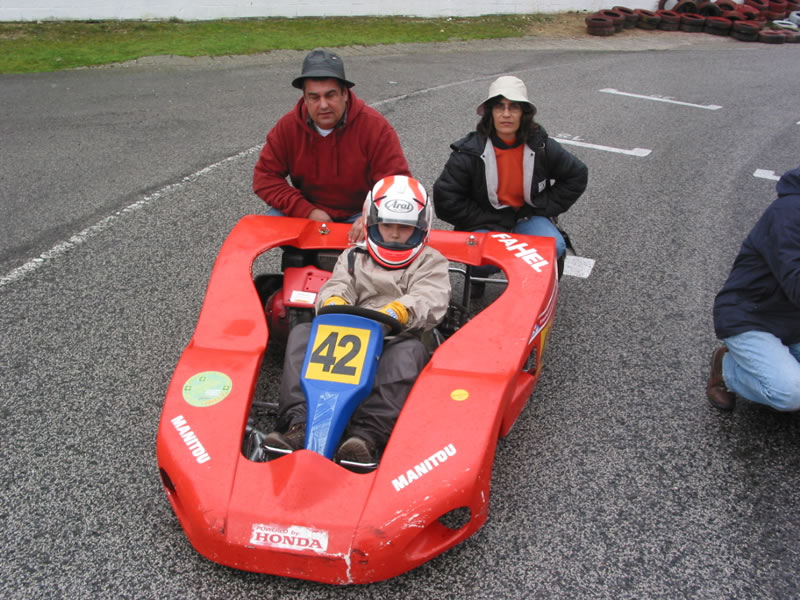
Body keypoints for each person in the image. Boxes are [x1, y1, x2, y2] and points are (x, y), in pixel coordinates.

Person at [262, 175, 451, 466]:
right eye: (388, 226)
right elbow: (338, 285)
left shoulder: (431, 261)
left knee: (406, 354)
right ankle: (298, 424)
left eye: (405, 227)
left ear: (420, 228)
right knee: (302, 334)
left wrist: (400, 311)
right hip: (349, 331)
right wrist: (334, 300)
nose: (396, 234)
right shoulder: (353, 256)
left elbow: (431, 297)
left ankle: (367, 436)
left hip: (400, 336)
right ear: (372, 223)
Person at [433, 75, 588, 283]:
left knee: (555, 246)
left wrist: (541, 207)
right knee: (481, 256)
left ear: (524, 113)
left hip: (527, 217)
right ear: (490, 112)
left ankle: (536, 291)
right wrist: (487, 218)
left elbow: (577, 175)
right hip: (486, 220)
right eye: (499, 107)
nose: (506, 114)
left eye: (514, 107)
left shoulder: (541, 145)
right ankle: (477, 279)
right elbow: (446, 199)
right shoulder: (469, 151)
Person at [253, 48, 411, 242]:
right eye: (314, 97)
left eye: (330, 95)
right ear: (304, 98)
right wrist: (307, 210)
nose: (323, 105)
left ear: (345, 93)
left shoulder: (375, 127)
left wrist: (372, 216)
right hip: (310, 210)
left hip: (358, 214)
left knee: (389, 236)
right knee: (267, 223)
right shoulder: (288, 127)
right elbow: (264, 178)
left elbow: (398, 185)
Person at [706, 165, 800, 412]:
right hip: (752, 315)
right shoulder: (788, 214)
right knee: (791, 392)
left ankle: (776, 358)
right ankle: (726, 369)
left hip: (792, 321)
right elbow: (795, 283)